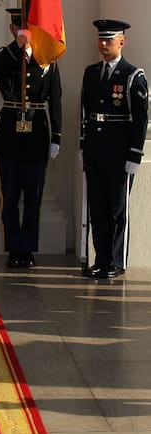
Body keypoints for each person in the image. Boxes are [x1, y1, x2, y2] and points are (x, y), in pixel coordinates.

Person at [0, 8, 62, 269]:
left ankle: (28, 249)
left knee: (33, 196)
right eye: (17, 26)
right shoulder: (5, 55)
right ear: (12, 29)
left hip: (37, 135)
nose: (21, 30)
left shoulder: (46, 60)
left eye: (26, 27)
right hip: (9, 134)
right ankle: (14, 248)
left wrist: (57, 136)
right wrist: (17, 45)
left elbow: (56, 99)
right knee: (9, 196)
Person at [80, 20, 148, 279]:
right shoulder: (91, 72)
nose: (104, 44)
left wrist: (134, 153)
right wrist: (83, 146)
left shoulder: (133, 76)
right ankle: (102, 258)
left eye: (109, 39)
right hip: (95, 150)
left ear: (122, 42)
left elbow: (140, 119)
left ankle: (117, 261)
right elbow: (85, 113)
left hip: (119, 153)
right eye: (101, 39)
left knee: (117, 210)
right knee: (97, 208)